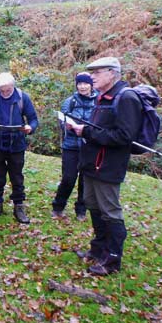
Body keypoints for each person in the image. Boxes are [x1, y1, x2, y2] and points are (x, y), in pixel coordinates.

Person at [67, 57, 142, 276]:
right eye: (92, 72)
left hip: (107, 167)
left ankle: (112, 260)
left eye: (97, 72)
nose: (92, 77)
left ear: (112, 73)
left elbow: (125, 136)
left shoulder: (126, 98)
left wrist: (86, 132)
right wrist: (82, 129)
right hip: (91, 163)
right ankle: (98, 249)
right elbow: (101, 128)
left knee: (111, 211)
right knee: (92, 204)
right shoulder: (103, 97)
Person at [0, 72, 39, 224]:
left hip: (16, 144)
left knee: (17, 177)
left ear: (13, 86)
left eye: (7, 90)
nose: (4, 93)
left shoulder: (22, 98)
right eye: (2, 90)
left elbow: (33, 119)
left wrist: (29, 128)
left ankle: (18, 207)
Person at [52, 72, 97, 220]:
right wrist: (67, 125)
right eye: (79, 83)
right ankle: (58, 207)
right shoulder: (70, 101)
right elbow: (62, 120)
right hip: (71, 146)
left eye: (85, 83)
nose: (82, 86)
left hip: (90, 146)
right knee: (68, 178)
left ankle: (81, 210)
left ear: (91, 85)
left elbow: (101, 122)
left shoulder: (99, 101)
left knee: (85, 181)